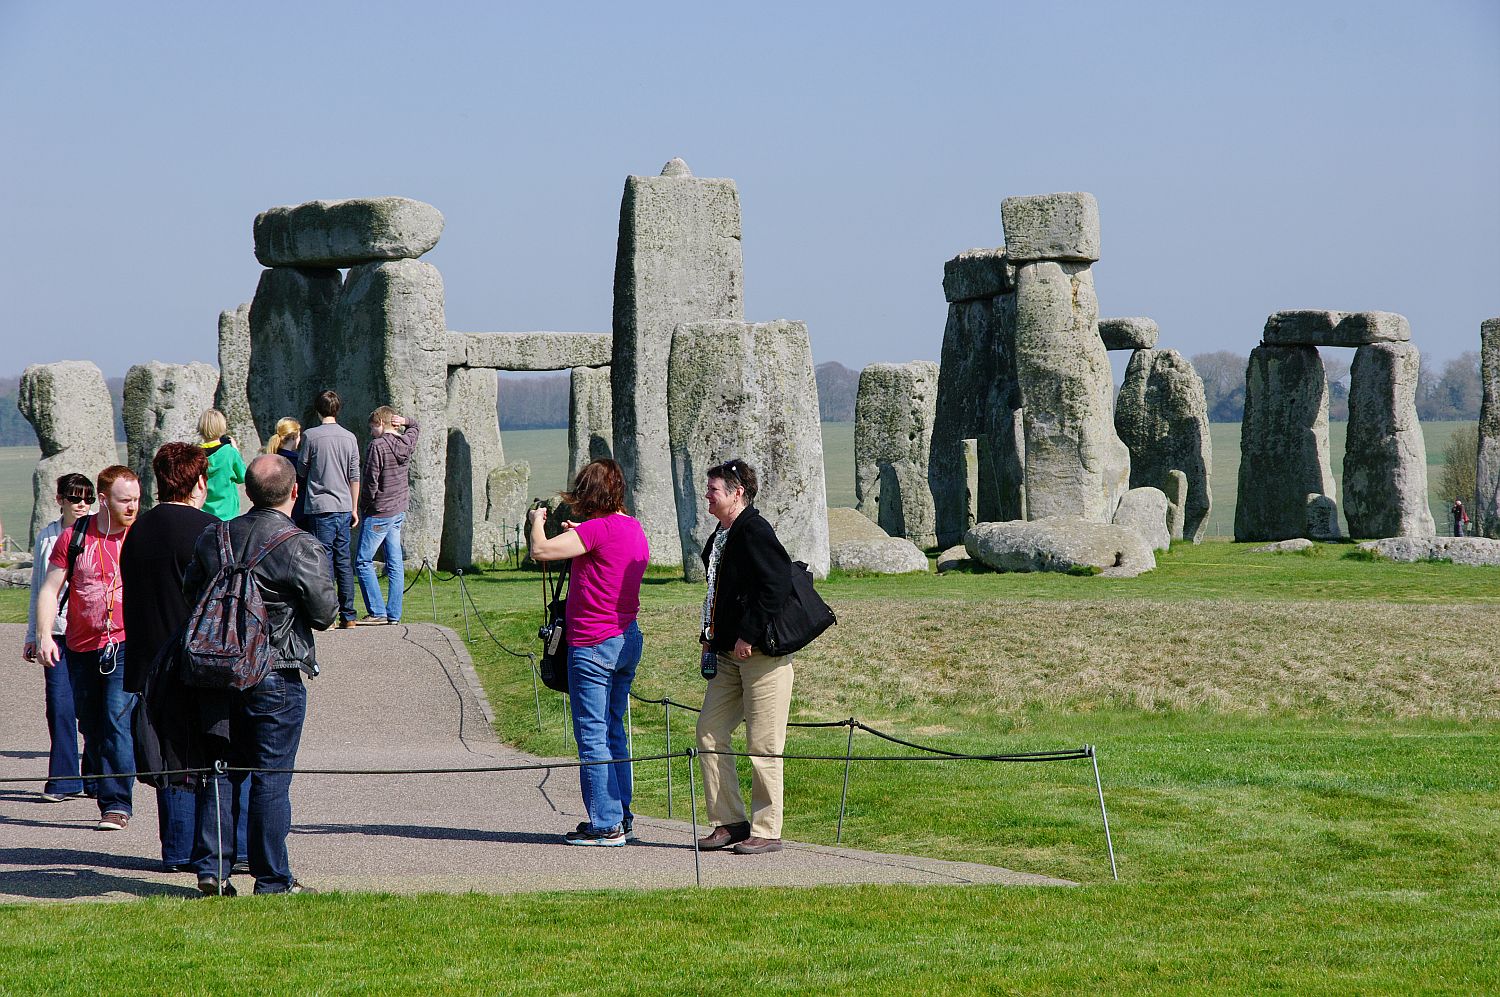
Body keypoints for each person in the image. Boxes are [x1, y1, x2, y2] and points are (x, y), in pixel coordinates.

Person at [184, 454, 337, 896]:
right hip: (275, 669)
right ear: (294, 492)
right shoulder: (300, 545)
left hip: (215, 670)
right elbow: (325, 613)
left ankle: (213, 869)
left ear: (246, 492)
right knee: (271, 775)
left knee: (220, 769)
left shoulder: (215, 537)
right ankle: (271, 878)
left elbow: (193, 593)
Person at [120, 442, 251, 874]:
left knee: (169, 759)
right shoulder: (211, 530)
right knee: (214, 753)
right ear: (199, 482)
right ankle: (216, 849)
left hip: (148, 659)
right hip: (198, 659)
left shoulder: (137, 531)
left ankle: (176, 849)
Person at [527, 459, 648, 846]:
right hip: (626, 638)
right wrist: (584, 534)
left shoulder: (597, 530)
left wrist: (535, 520)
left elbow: (541, 551)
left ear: (587, 495)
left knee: (593, 735)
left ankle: (605, 825)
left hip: (594, 644)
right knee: (614, 732)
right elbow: (605, 547)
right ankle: (620, 816)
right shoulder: (630, 527)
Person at [694, 459, 794, 856]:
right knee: (709, 731)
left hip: (760, 656)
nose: (707, 495)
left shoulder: (754, 529)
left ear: (737, 493)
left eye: (713, 489)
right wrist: (710, 635)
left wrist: (748, 635)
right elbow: (718, 590)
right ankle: (730, 822)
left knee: (763, 743)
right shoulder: (722, 532)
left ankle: (767, 830)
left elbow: (778, 582)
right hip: (726, 652)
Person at [34, 465, 141, 832]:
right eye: (124, 500)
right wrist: (44, 634)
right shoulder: (75, 536)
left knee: (115, 718)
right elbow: (49, 589)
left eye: (137, 500)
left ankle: (116, 804)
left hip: (126, 643)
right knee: (90, 722)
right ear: (103, 500)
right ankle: (98, 776)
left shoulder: (140, 536)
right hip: (81, 645)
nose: (132, 507)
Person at [24, 472, 97, 803]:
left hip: (91, 633)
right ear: (60, 501)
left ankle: (99, 775)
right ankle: (65, 778)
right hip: (55, 632)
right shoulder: (47, 537)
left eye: (88, 498)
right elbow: (40, 589)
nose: (82, 504)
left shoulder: (99, 534)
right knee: (59, 705)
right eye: (75, 498)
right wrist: (33, 635)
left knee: (94, 708)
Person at [300, 390, 361, 629]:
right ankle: (349, 615)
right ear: (338, 410)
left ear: (318, 410)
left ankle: (329, 615)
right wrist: (354, 507)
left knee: (323, 562)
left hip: (320, 506)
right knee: (344, 562)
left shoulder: (311, 436)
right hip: (344, 505)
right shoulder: (350, 437)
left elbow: (302, 470)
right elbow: (354, 475)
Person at [355, 407, 420, 625]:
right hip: (398, 509)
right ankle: (394, 613)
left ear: (381, 423)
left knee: (363, 561)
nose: (372, 432)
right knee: (395, 562)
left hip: (380, 510)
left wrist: (363, 506)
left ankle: (377, 611)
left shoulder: (377, 446)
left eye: (373, 427)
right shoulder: (406, 443)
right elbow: (415, 427)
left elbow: (371, 481)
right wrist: (406, 420)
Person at [198, 408, 246, 521]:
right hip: (228, 514)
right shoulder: (230, 452)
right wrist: (236, 452)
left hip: (204, 513)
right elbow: (243, 476)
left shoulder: (196, 455)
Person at [265, 417, 307, 524]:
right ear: (293, 437)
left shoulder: (269, 458)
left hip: (271, 514)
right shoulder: (297, 462)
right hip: (296, 515)